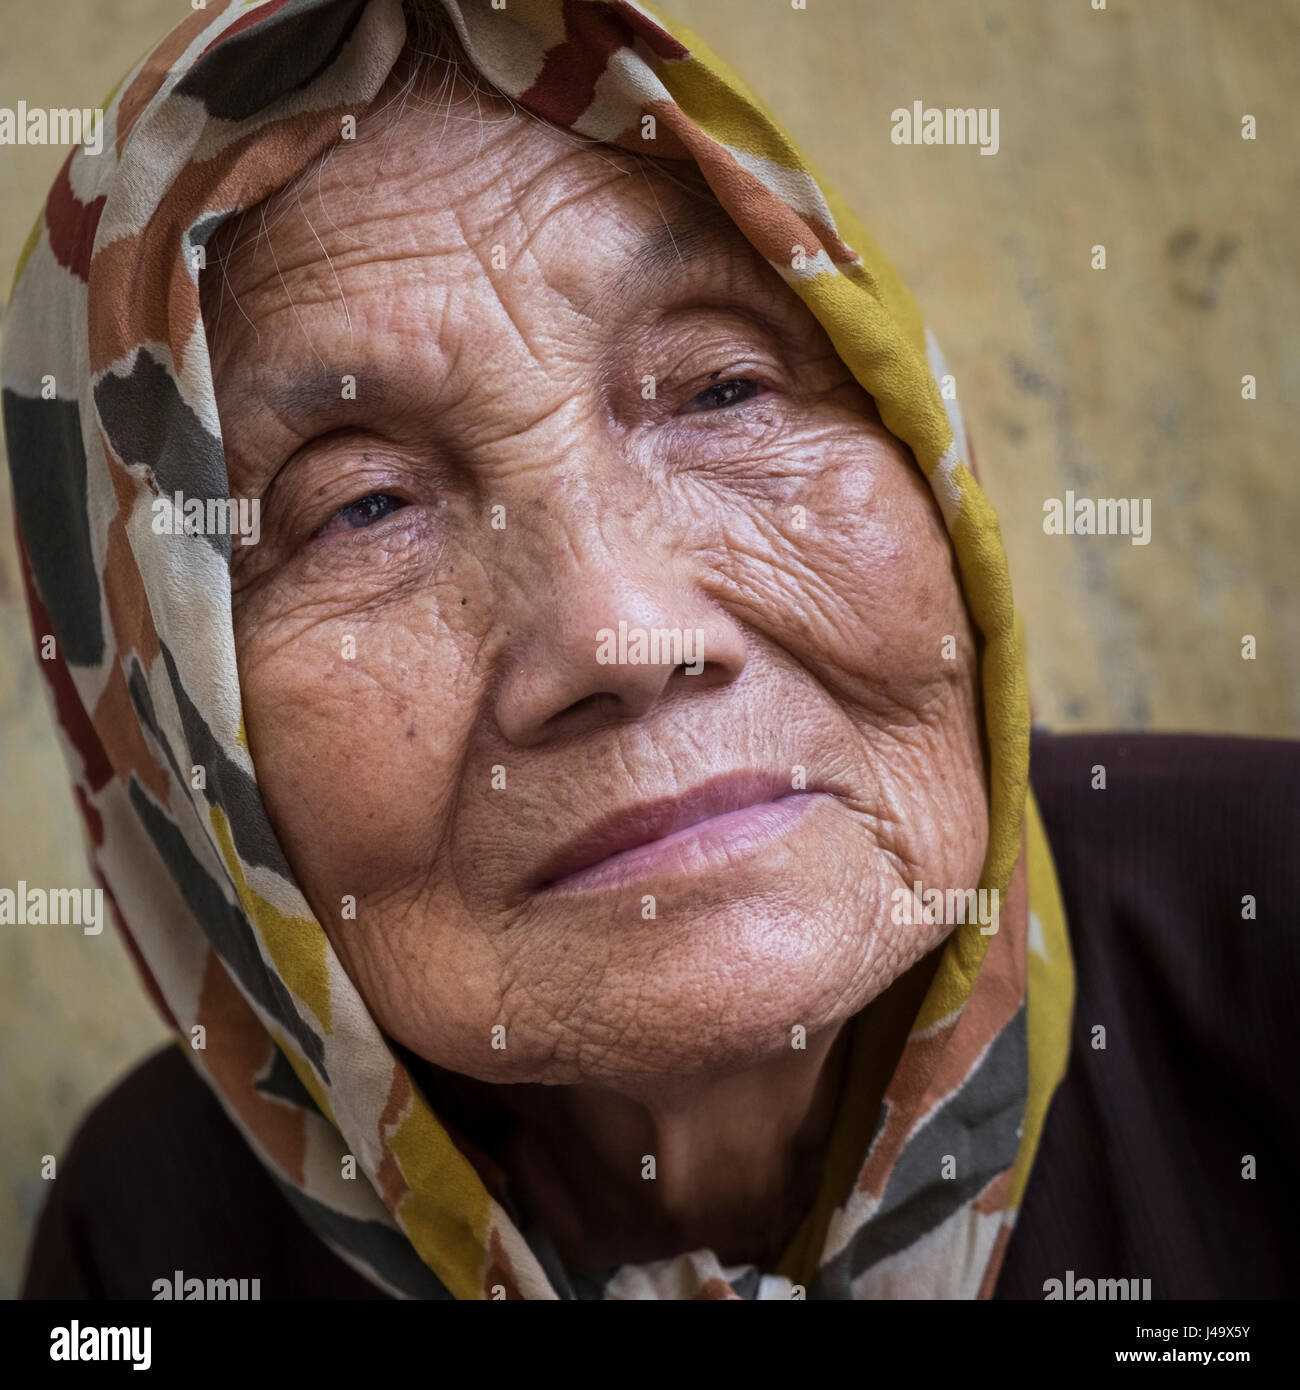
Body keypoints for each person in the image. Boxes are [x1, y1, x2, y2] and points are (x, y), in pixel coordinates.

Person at [5, 0, 1294, 1300]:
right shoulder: (151, 1242)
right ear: (172, 726)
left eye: (724, 388)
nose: (623, 636)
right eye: (362, 509)